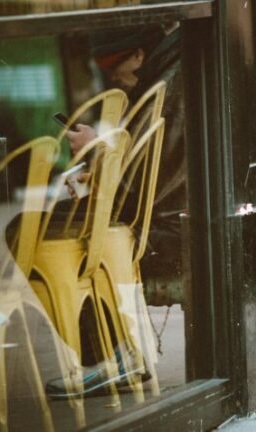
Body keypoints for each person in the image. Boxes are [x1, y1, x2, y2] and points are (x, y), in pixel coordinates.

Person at [68, 23, 186, 284]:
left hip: (159, 236)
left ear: (138, 56)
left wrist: (95, 152)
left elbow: (132, 192)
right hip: (168, 227)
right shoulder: (163, 82)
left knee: (48, 230)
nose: (111, 77)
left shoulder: (160, 95)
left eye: (111, 66)